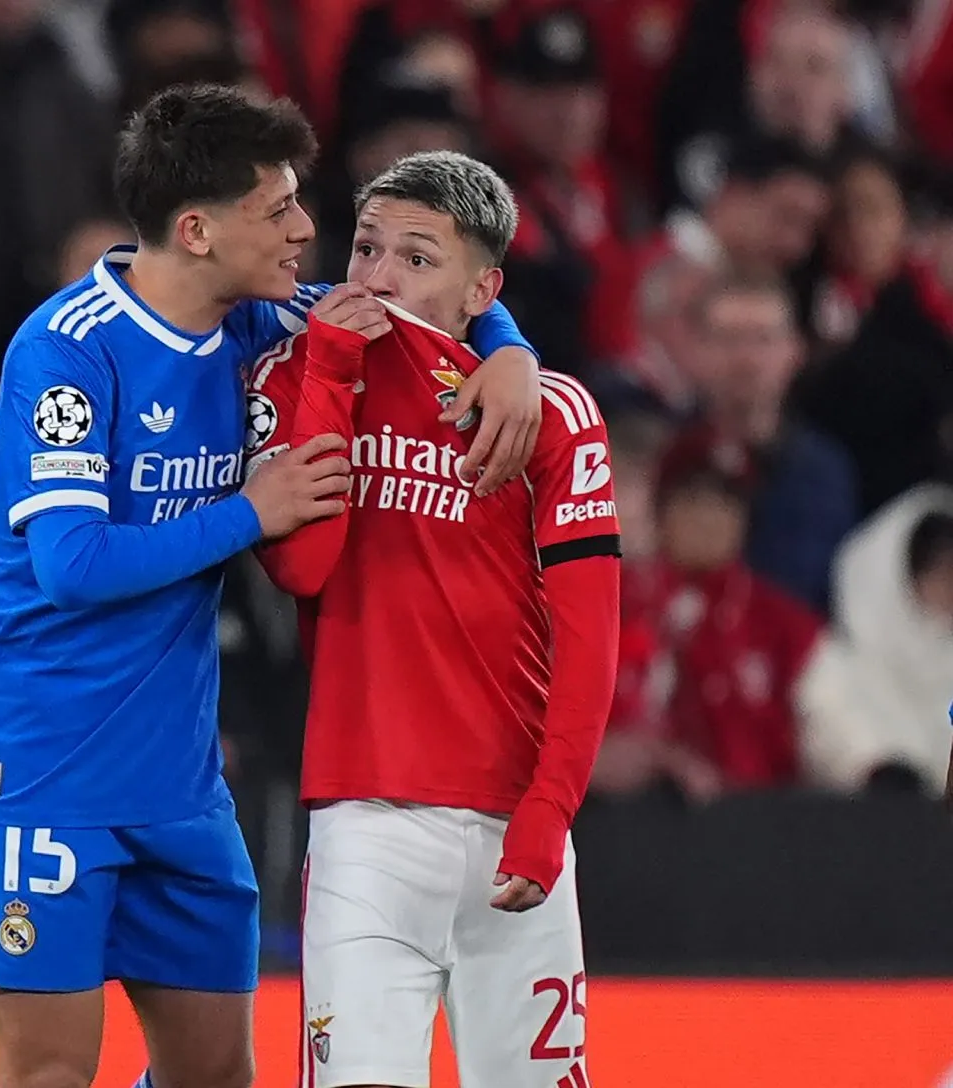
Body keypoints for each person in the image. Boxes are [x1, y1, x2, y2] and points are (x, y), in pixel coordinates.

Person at [0, 87, 545, 1088]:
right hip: (43, 765)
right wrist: (250, 512)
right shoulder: (68, 349)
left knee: (215, 1077)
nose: (306, 229)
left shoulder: (263, 318)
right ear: (197, 230)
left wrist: (510, 351)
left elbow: (421, 303)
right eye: (278, 209)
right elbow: (73, 565)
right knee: (50, 1074)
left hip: (178, 779)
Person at [247, 150, 621, 1088]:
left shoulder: (550, 412)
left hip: (513, 820)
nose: (378, 277)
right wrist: (333, 371)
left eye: (416, 259)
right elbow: (301, 568)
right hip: (365, 825)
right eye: (366, 248)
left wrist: (551, 808)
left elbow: (591, 639)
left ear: (481, 290)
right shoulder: (292, 371)